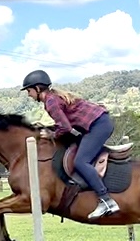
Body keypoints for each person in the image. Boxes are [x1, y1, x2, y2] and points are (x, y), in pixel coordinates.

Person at [21, 69, 119, 219]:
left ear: (38, 88)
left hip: (98, 126)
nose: (28, 95)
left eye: (29, 91)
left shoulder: (51, 102)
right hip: (98, 123)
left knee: (80, 161)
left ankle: (106, 201)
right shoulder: (53, 97)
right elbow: (66, 125)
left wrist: (50, 134)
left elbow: (65, 128)